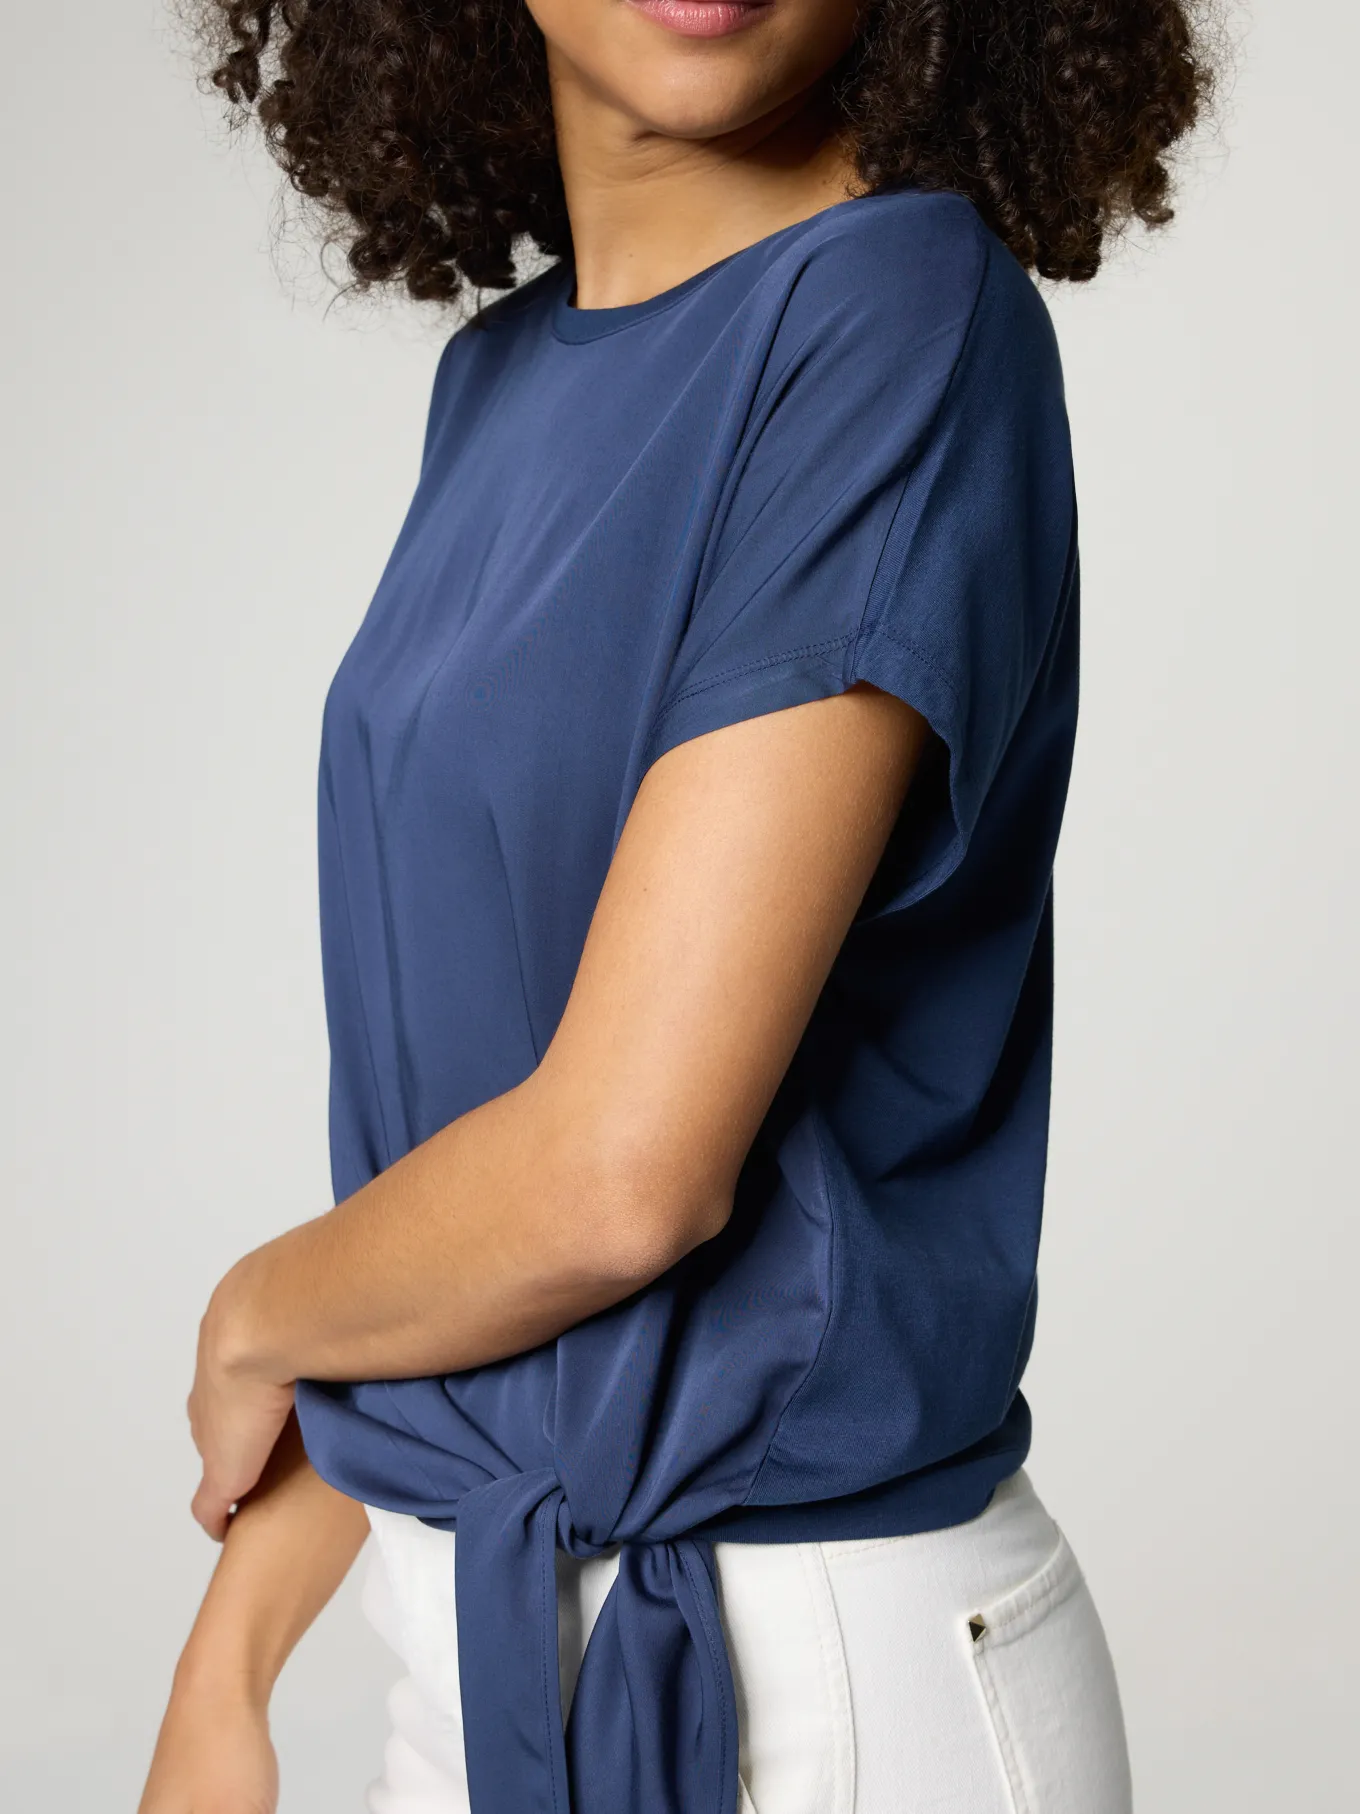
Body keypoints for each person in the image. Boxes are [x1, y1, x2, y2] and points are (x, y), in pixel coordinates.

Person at [140, 2, 1213, 1810]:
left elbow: (618, 1168)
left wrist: (253, 1313)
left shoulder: (900, 311)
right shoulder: (495, 386)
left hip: (821, 1681)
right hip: (473, 1649)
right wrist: (231, 1652)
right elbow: (470, 1159)